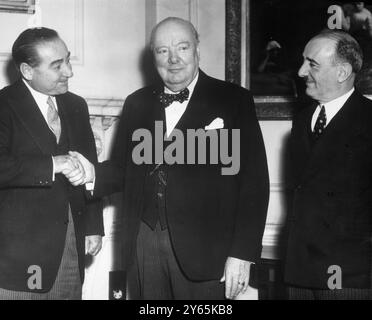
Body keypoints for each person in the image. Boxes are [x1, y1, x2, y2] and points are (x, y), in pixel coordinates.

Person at [69, 17, 269, 300]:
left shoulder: (233, 100)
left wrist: (242, 253)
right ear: (153, 57)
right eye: (163, 51)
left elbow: (254, 184)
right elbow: (123, 169)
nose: (173, 59)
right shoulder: (137, 103)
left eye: (182, 48)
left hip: (208, 251)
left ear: (197, 50)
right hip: (143, 243)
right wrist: (91, 174)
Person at [0, 27, 104, 299]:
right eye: (57, 65)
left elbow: (89, 165)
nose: (69, 71)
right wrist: (52, 165)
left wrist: (93, 226)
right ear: (27, 71)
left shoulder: (76, 105)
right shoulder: (3, 105)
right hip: (17, 257)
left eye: (67, 60)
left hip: (70, 246)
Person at [284, 29, 372, 299]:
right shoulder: (302, 120)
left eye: (312, 64)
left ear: (342, 72)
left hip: (349, 274)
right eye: (303, 61)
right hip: (299, 269)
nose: (300, 72)